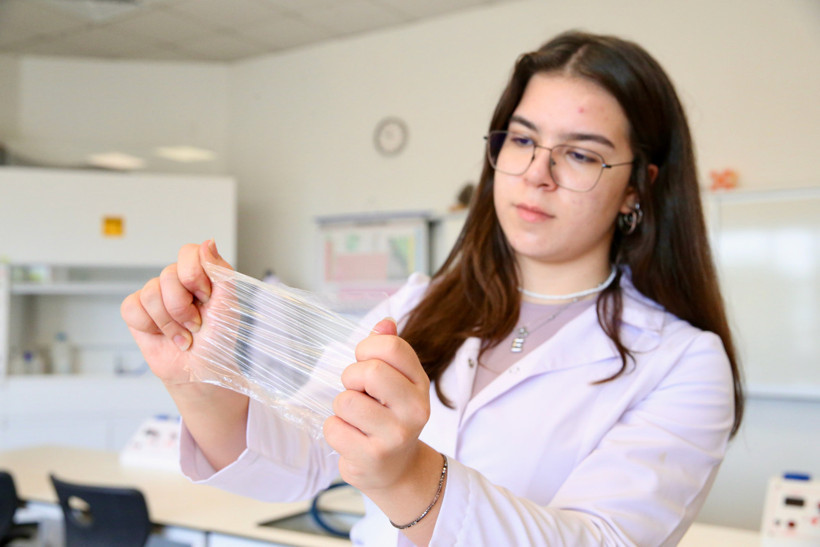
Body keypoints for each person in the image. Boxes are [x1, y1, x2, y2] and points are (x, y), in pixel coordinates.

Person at [121, 30, 743, 546]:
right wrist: (198, 382)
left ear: (639, 186)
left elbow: (599, 541)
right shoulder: (420, 305)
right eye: (522, 140)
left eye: (580, 155)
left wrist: (409, 477)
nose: (536, 174)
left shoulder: (683, 363)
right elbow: (302, 459)